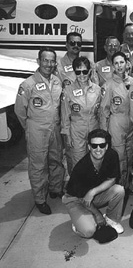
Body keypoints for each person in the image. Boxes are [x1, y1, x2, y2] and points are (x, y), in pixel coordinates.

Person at [14, 47, 65, 215]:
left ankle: (55, 189)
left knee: (56, 159)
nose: (49, 64)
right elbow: (20, 111)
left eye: (52, 61)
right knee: (38, 165)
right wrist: (30, 128)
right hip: (37, 129)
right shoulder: (28, 84)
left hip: (55, 127)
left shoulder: (57, 82)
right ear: (38, 61)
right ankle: (40, 199)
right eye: (45, 60)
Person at [62, 129, 125, 238]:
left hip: (91, 196)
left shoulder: (112, 155)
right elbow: (83, 199)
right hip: (75, 199)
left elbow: (112, 179)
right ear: (89, 147)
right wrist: (97, 214)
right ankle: (78, 224)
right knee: (89, 231)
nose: (98, 149)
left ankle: (111, 219)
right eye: (94, 146)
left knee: (119, 190)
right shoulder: (81, 168)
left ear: (106, 146)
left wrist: (93, 191)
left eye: (102, 145)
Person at [99, 51, 133, 189]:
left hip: (131, 123)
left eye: (122, 62)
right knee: (119, 158)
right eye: (116, 63)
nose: (119, 66)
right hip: (116, 123)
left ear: (127, 63)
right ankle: (118, 188)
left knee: (130, 156)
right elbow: (103, 111)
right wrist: (104, 134)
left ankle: (125, 184)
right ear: (113, 66)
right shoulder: (108, 85)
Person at [61, 56, 102, 171]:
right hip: (76, 131)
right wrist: (67, 136)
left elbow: (101, 113)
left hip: (94, 129)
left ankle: (94, 187)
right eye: (78, 72)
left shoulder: (97, 90)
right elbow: (65, 116)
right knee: (78, 162)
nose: (82, 75)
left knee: (95, 161)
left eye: (84, 71)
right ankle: (78, 187)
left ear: (89, 71)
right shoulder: (68, 91)